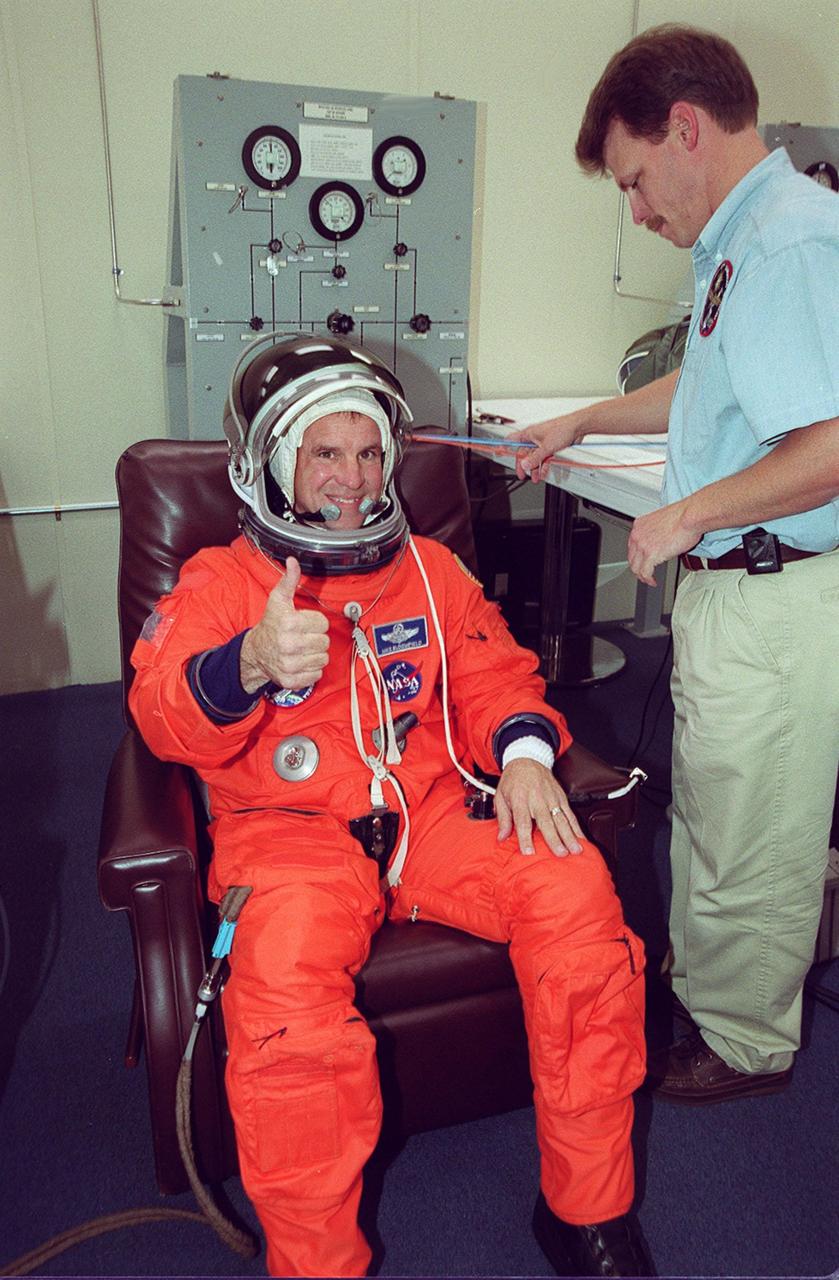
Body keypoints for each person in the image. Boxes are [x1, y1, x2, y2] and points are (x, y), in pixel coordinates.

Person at [129, 333, 654, 1278]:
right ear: (270, 464)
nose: (353, 479)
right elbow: (162, 717)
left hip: (432, 819)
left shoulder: (429, 572)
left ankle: (586, 1211)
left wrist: (527, 755)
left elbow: (496, 675)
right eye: (325, 454)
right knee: (290, 1026)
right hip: (288, 843)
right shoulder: (221, 585)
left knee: (576, 898)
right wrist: (245, 664)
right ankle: (317, 1265)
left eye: (369, 453)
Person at [517, 24, 839, 1105]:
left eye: (634, 180)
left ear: (685, 129)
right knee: (710, 809)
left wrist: (680, 513)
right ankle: (706, 995)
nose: (637, 209)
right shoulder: (737, 247)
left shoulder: (790, 241)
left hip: (772, 594)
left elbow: (830, 447)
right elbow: (701, 385)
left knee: (753, 830)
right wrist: (582, 419)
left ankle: (744, 1044)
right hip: (730, 594)